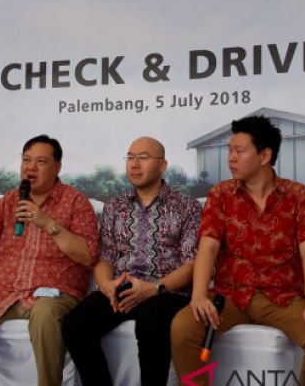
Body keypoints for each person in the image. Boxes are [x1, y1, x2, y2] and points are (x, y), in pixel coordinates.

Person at [170, 116, 305, 386]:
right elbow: (208, 246)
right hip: (229, 296)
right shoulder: (221, 194)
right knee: (183, 328)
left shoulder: (298, 195)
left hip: (282, 297)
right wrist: (199, 295)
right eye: (229, 150)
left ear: (264, 156)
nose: (231, 158)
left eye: (239, 151)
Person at [0, 134, 99, 386]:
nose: (30, 168)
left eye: (40, 161)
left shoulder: (76, 201)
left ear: (57, 167)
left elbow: (88, 255)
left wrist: (47, 223)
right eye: (26, 160)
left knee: (45, 313)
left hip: (53, 294)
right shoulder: (11, 200)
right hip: (5, 292)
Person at [62, 136, 202, 386]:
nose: (135, 164)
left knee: (151, 320)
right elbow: (105, 257)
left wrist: (154, 288)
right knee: (76, 325)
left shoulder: (187, 207)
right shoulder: (115, 206)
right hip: (123, 287)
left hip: (168, 291)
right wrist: (106, 285)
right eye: (130, 157)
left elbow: (192, 265)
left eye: (143, 158)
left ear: (162, 165)